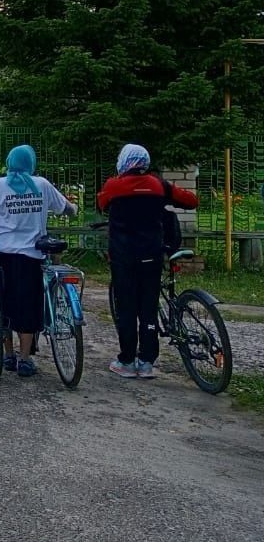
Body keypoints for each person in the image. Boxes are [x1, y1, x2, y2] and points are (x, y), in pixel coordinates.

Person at [97, 144, 198, 379]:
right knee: (148, 308)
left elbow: (102, 204)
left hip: (124, 257)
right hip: (152, 254)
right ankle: (146, 362)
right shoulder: (158, 184)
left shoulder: (114, 186)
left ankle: (127, 361)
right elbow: (191, 201)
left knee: (127, 309)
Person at [0, 144, 78, 378]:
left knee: (1, 305)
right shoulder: (42, 185)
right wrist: (73, 208)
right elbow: (66, 208)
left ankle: (7, 355)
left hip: (1, 254)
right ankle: (25, 359)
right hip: (30, 256)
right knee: (27, 306)